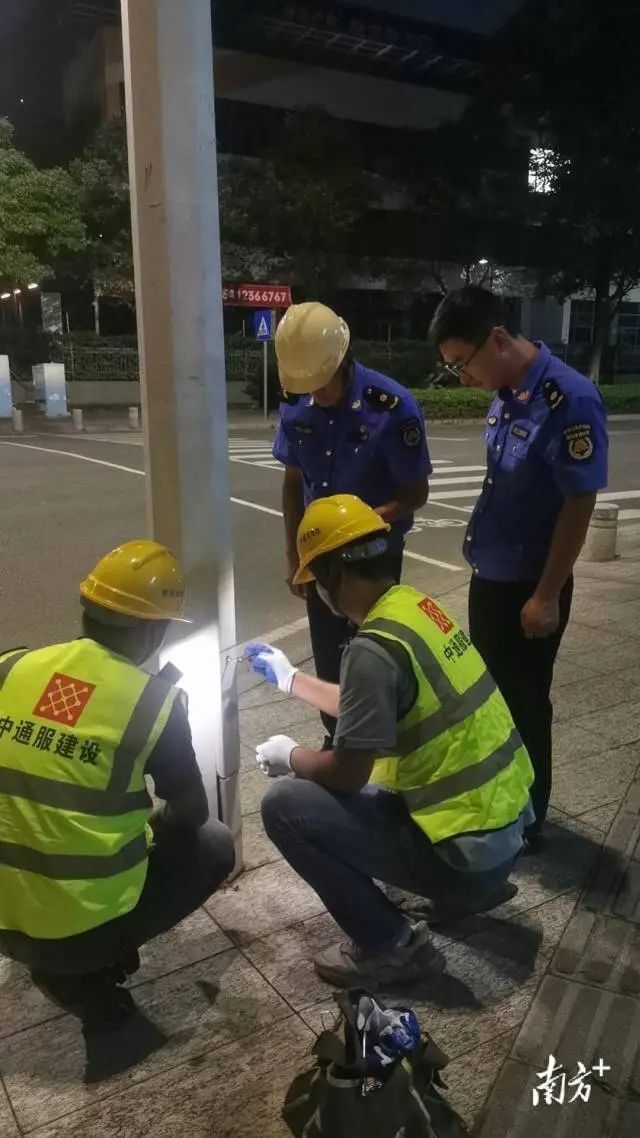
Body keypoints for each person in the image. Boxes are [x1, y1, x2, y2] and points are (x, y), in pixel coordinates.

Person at [247, 495, 534, 988]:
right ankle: (464, 892)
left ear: (337, 574)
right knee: (368, 783)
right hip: (502, 840)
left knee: (286, 806)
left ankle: (393, 948)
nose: (318, 592)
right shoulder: (414, 609)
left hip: (467, 861)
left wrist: (290, 757)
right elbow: (370, 705)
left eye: (317, 580)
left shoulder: (372, 649)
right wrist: (291, 679)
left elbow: (346, 773)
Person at [0, 540, 235, 1081]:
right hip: (75, 926)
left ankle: (65, 956)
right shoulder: (152, 703)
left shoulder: (12, 666)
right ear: (156, 631)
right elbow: (190, 814)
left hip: (3, 910)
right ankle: (94, 966)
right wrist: (145, 827)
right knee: (214, 843)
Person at [429, 287, 608, 852]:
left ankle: (529, 818)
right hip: (491, 575)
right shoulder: (507, 394)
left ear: (498, 340)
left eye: (463, 363)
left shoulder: (568, 399)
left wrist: (547, 595)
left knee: (526, 703)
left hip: (530, 584)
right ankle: (501, 802)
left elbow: (579, 502)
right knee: (493, 700)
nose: (463, 377)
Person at [272, 300, 432, 743]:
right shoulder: (296, 405)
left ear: (342, 360)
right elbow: (292, 483)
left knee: (374, 659)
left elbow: (415, 494)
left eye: (321, 383)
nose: (315, 394)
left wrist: (363, 524)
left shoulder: (392, 408)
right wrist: (294, 558)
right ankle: (337, 740)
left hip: (374, 559)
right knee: (328, 658)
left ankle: (377, 748)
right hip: (320, 557)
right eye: (305, 386)